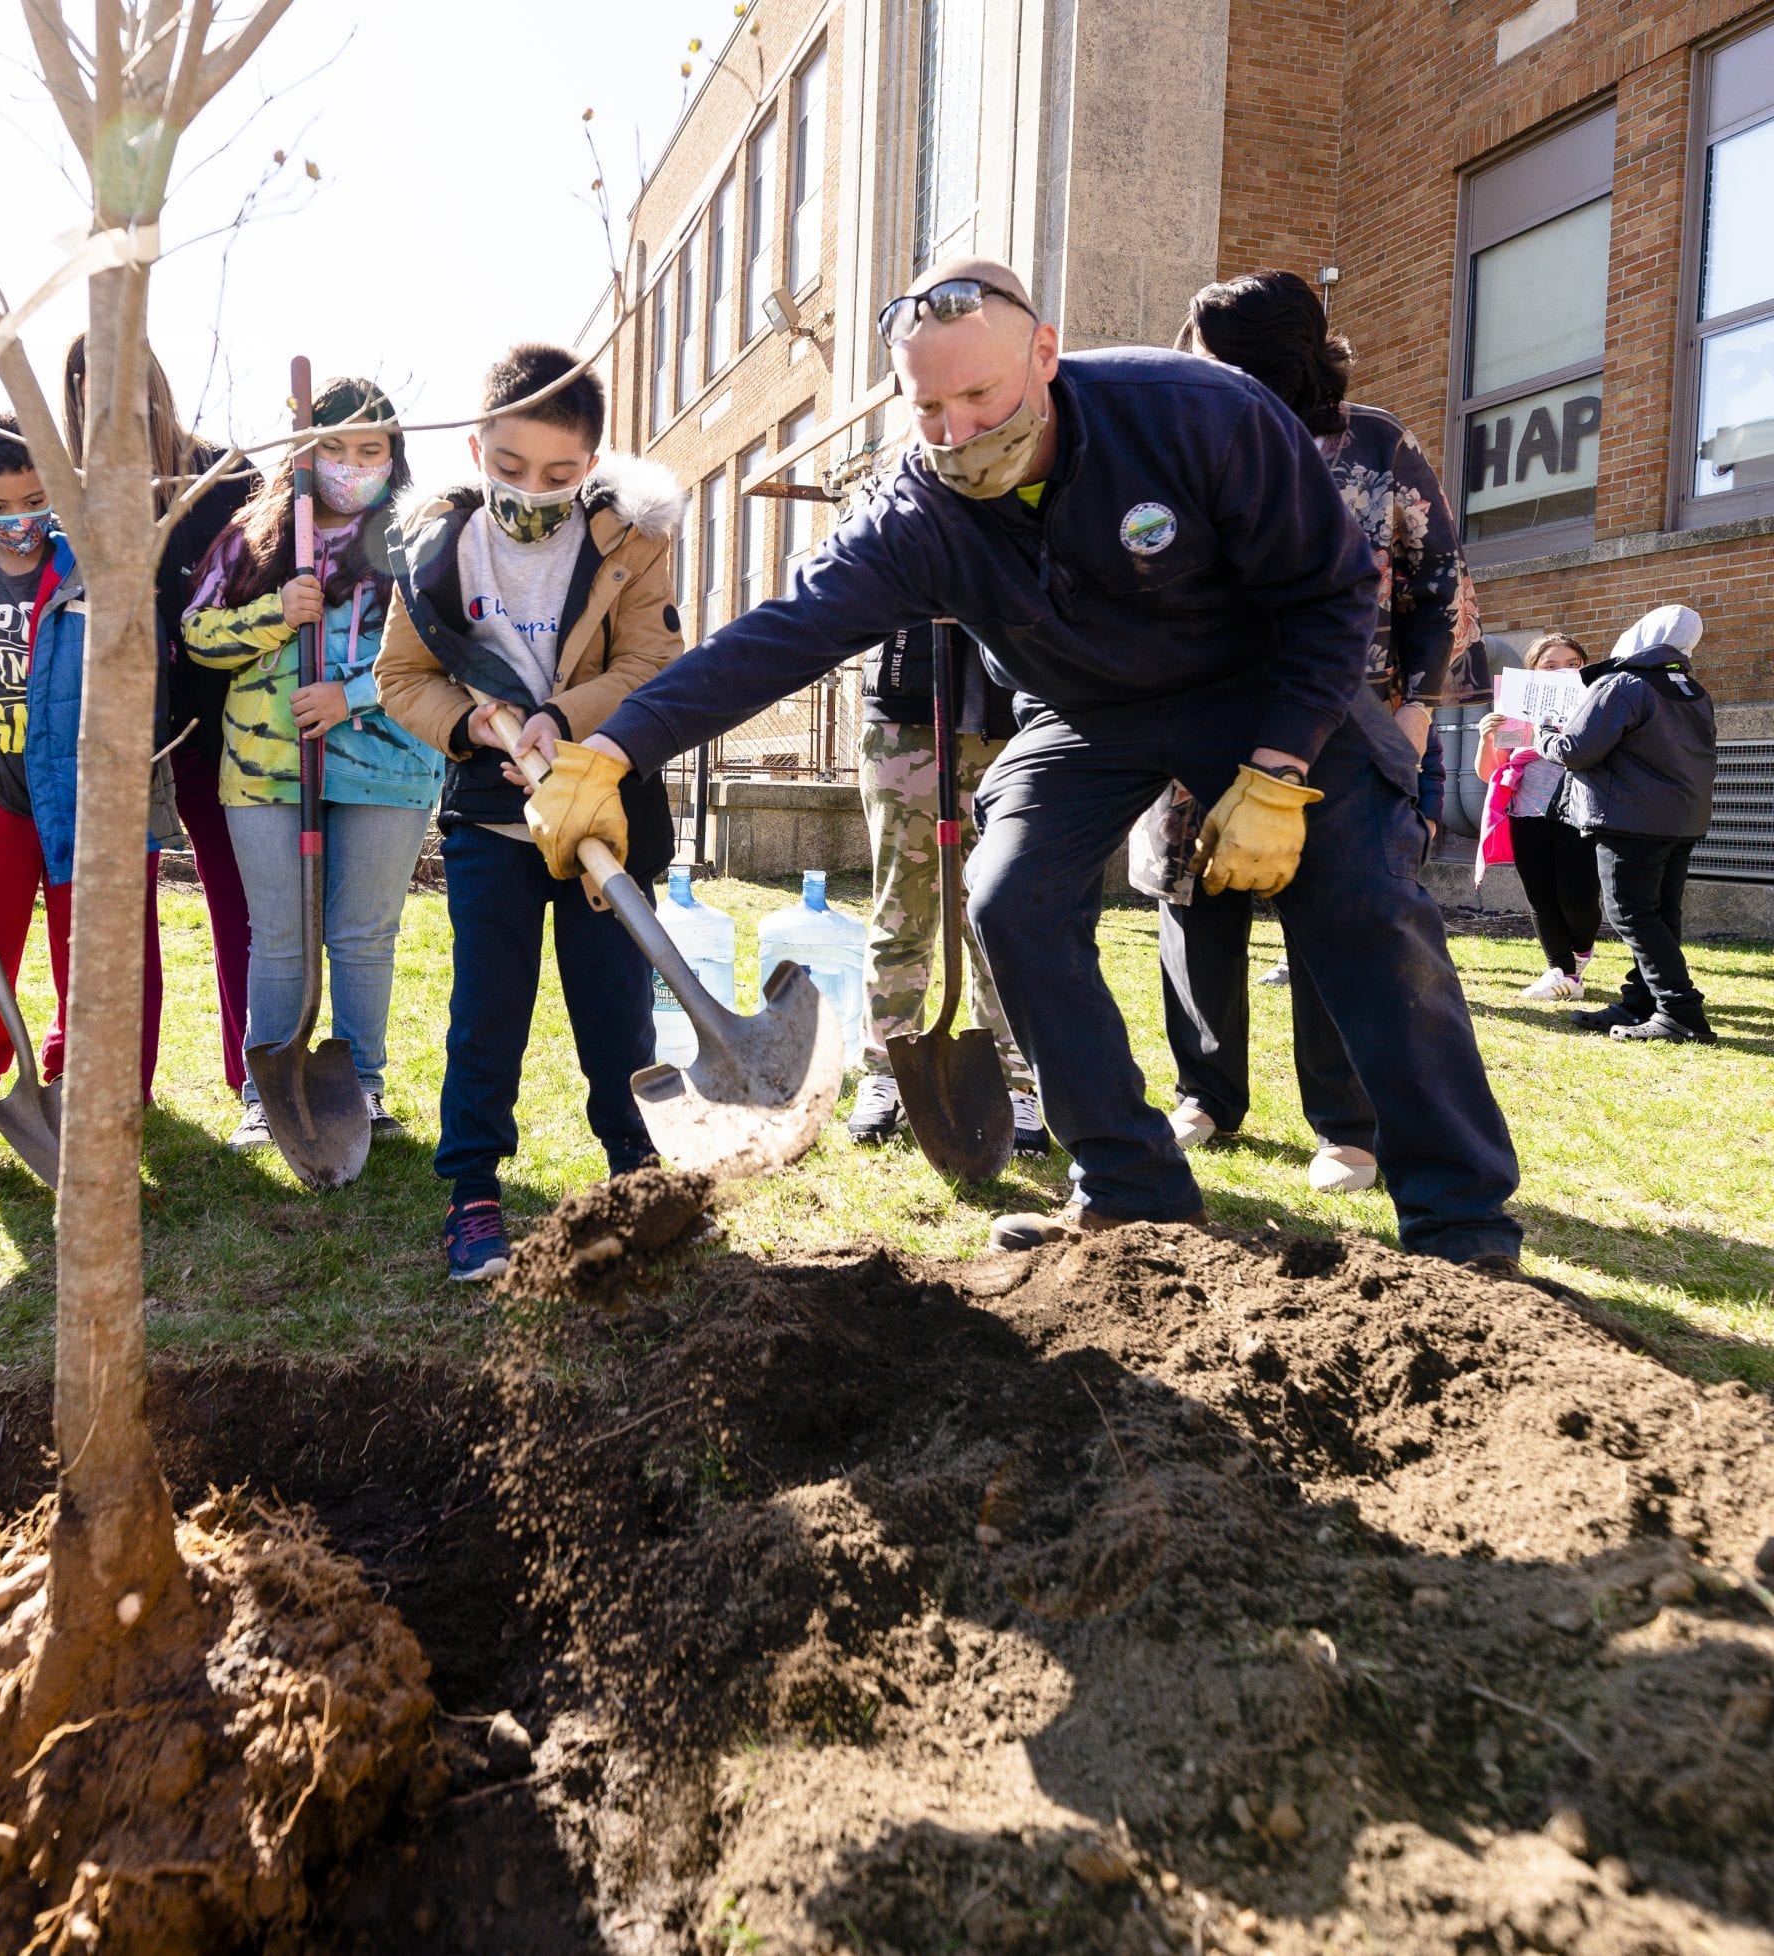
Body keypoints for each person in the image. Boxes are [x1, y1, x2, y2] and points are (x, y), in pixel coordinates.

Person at [529, 256, 1522, 1267]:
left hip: (1265, 683)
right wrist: (611, 750)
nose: (957, 431)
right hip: (1091, 712)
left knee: (1361, 893)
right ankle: (1131, 1193)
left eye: (979, 395)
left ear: (1044, 354)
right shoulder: (916, 514)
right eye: (928, 408)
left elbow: (1331, 593)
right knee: (1009, 895)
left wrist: (1276, 769)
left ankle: (1463, 1225)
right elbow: (784, 634)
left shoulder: (1196, 411)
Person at [1153, 269, 1487, 1196]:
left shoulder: (1374, 445)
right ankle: (1205, 1093)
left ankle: (1347, 1125)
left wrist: (1415, 716)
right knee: (1195, 899)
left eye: (1206, 350)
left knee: (1336, 916)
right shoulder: (1183, 433)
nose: (1189, 363)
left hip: (1347, 718)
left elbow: (1437, 583)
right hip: (1202, 712)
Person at [376, 343, 685, 1282]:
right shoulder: (433, 549)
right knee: (487, 1012)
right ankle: (473, 1194)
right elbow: (400, 679)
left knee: (617, 1017)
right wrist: (473, 723)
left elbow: (649, 667)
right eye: (509, 468)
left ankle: (638, 1179)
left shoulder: (630, 543)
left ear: (591, 466)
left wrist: (561, 719)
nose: (531, 490)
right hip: (490, 829)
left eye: (558, 475)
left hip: (605, 822)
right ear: (477, 449)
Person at [182, 378, 444, 1148]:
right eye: (332, 447)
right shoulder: (251, 536)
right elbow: (197, 635)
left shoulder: (421, 539)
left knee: (364, 933)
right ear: (303, 452)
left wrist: (351, 694)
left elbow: (447, 654)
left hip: (388, 765)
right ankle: (269, 1089)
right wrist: (276, 614)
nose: (351, 464)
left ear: (394, 455)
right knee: (280, 934)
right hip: (265, 767)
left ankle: (360, 1086)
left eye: (370, 449)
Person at [0, 410, 163, 1170]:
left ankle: (79, 1090)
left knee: (85, 954)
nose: (19, 521)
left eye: (34, 500)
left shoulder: (92, 567)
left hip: (79, 787)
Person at [64, 334, 261, 1101]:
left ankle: (255, 1081)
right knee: (116, 914)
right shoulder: (67, 490)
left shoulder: (225, 476)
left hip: (218, 727)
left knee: (240, 905)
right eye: (87, 387)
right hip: (117, 734)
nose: (108, 402)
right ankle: (118, 1088)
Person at [846, 622, 1045, 1154]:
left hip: (1010, 723)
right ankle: (886, 1071)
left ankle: (1013, 1078)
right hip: (906, 718)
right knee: (900, 911)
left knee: (997, 914)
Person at [1543, 604, 1719, 1043]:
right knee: (1659, 913)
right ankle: (1641, 1002)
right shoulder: (1692, 688)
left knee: (1632, 913)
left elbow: (1577, 750)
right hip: (1681, 817)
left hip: (1631, 816)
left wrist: (1543, 734)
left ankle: (1680, 1012)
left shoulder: (1624, 684)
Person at [1474, 632, 1602, 1000]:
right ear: (1533, 671)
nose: (1562, 671)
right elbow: (1489, 773)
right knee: (1541, 896)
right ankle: (1561, 972)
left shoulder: (1597, 703)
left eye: (1573, 664)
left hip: (1580, 812)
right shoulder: (1516, 710)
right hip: (1526, 812)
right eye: (1550, 665)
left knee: (1577, 896)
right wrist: (1487, 738)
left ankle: (1579, 956)